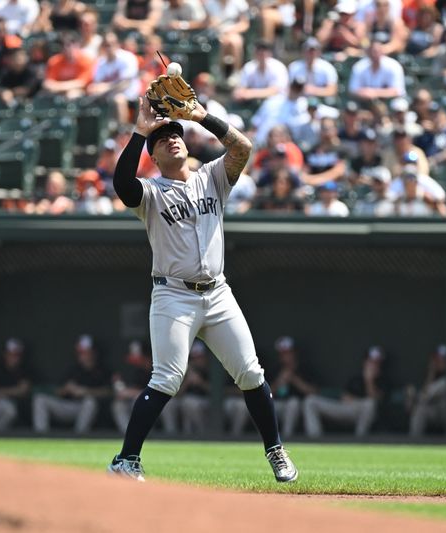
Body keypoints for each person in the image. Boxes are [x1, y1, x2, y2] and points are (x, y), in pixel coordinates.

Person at [107, 94, 298, 482]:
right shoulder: (150, 193)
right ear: (155, 157)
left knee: (249, 372)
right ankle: (125, 461)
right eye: (162, 140)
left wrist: (199, 116)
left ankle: (276, 450)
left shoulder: (212, 177)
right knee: (167, 377)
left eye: (175, 134)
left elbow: (242, 147)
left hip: (217, 293)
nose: (171, 139)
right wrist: (140, 131)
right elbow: (121, 183)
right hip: (173, 295)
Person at [32, 334, 110, 433]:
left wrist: (85, 391)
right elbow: (57, 391)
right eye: (80, 352)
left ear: (94, 352)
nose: (82, 355)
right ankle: (41, 436)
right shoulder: (73, 369)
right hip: (67, 406)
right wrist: (66, 389)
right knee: (40, 399)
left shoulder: (102, 370)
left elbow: (108, 391)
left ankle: (79, 436)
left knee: (90, 402)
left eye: (85, 352)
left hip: (84, 408)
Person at [303, 346, 385, 437]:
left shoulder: (384, 381)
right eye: (371, 362)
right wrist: (354, 401)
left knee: (370, 404)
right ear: (365, 362)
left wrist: (369, 380)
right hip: (348, 409)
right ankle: (315, 439)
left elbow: (376, 401)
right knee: (310, 401)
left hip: (366, 413)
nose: (373, 366)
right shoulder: (356, 379)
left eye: (376, 363)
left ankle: (360, 440)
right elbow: (345, 398)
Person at [111, 340, 154, 434]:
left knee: (138, 400)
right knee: (118, 405)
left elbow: (156, 392)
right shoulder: (134, 369)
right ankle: (127, 435)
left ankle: (145, 434)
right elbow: (121, 389)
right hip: (133, 400)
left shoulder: (157, 369)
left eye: (139, 359)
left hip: (155, 403)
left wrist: (132, 393)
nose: (136, 362)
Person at [409, 344, 446, 437]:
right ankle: (413, 442)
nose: (438, 362)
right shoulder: (429, 375)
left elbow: (424, 397)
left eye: (442, 360)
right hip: (434, 412)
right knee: (420, 410)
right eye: (436, 359)